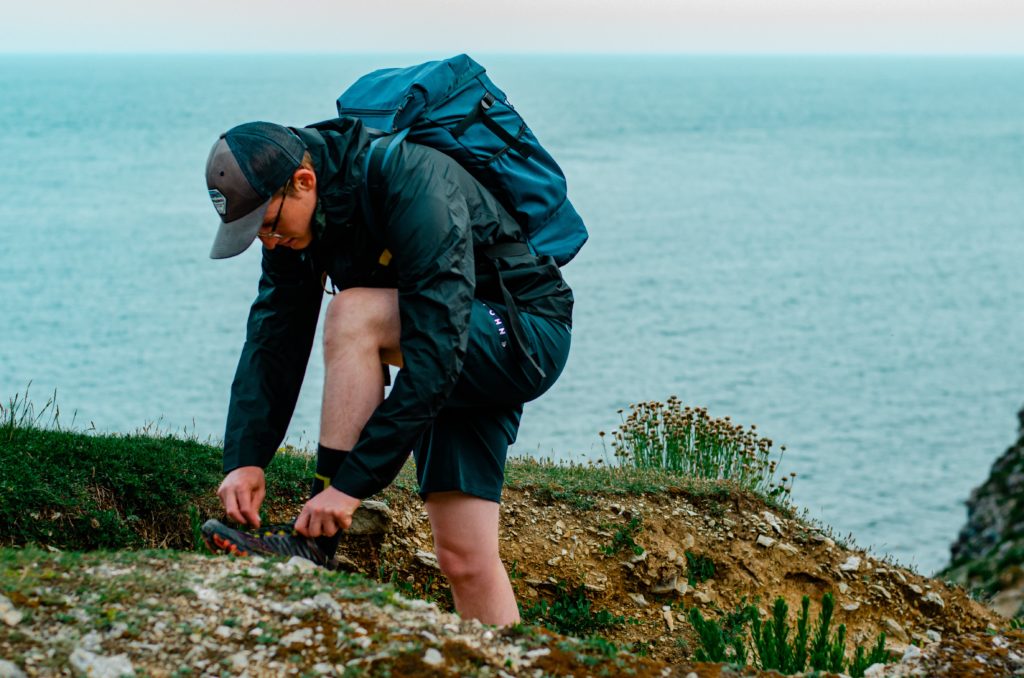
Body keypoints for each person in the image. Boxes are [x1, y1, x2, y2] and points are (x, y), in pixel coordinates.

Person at [199, 119, 573, 625]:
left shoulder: (410, 180)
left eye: (267, 224)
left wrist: (346, 487)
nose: (267, 242)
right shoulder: (302, 225)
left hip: (522, 331)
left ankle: (315, 545)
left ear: (303, 182)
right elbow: (274, 339)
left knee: (354, 314)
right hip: (442, 338)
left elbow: (435, 354)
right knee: (464, 556)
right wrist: (245, 458)